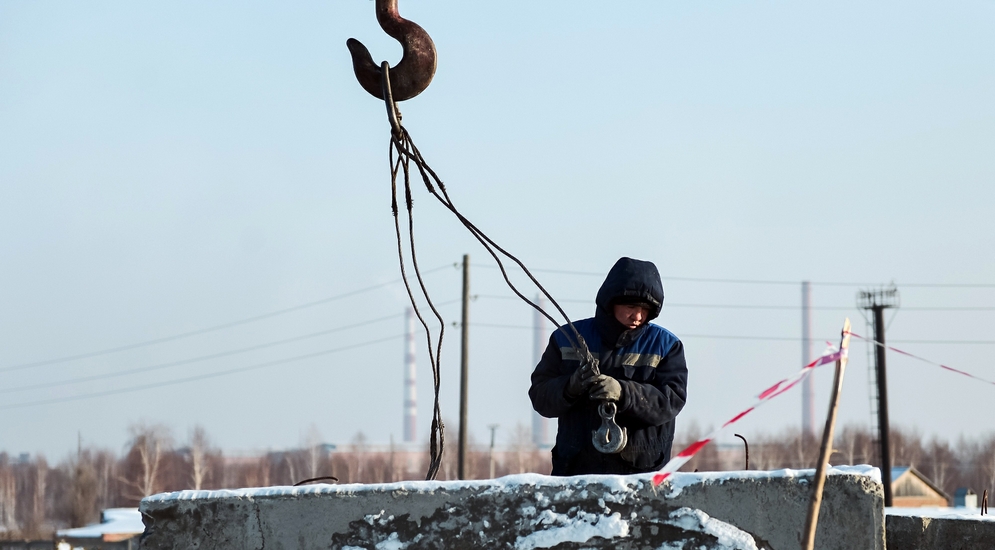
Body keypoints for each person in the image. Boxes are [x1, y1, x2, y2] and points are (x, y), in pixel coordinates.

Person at [529, 257, 688, 475]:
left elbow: (671, 400)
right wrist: (570, 387)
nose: (638, 316)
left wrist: (623, 392)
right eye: (631, 306)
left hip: (641, 475)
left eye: (645, 309)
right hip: (576, 473)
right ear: (610, 302)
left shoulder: (666, 346)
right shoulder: (566, 339)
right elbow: (540, 396)